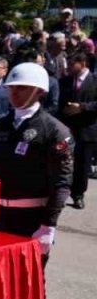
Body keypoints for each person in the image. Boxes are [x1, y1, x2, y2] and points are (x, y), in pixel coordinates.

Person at [0, 63, 73, 265]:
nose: (14, 92)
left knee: (29, 284)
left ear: (39, 91)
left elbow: (61, 182)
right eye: (11, 87)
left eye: (22, 88)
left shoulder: (55, 131)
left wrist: (49, 224)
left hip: (31, 219)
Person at [59, 52, 96, 209]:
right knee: (63, 163)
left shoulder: (94, 81)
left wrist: (82, 107)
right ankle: (61, 192)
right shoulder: (65, 81)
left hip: (87, 130)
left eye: (72, 63)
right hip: (67, 129)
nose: (68, 66)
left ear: (83, 63)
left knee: (82, 165)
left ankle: (78, 194)